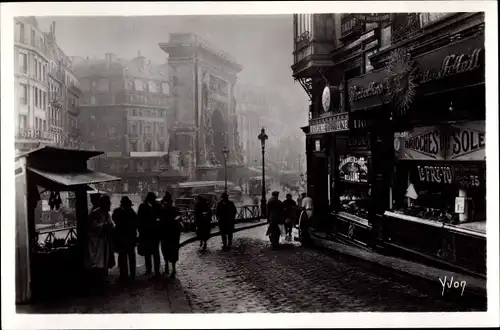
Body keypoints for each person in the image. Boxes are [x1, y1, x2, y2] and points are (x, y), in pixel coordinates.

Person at [84, 195, 115, 286]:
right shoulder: (95, 213)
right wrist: (103, 226)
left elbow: (110, 224)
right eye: (108, 203)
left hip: (103, 241)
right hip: (95, 241)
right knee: (96, 261)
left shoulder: (106, 214)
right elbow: (92, 226)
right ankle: (96, 280)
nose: (109, 205)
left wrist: (109, 227)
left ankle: (102, 278)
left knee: (103, 260)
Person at [112, 196, 138, 281]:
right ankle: (132, 275)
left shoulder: (117, 211)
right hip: (130, 238)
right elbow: (136, 224)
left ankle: (124, 275)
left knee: (123, 257)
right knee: (131, 256)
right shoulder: (132, 212)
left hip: (122, 238)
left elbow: (115, 221)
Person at [159, 192, 182, 279]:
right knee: (169, 250)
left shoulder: (171, 209)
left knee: (170, 250)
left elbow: (179, 216)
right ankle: (169, 266)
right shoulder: (164, 210)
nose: (167, 203)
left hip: (170, 233)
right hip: (169, 233)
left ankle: (172, 268)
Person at [137, 192, 161, 277]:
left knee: (149, 252)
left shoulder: (142, 206)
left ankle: (149, 269)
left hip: (146, 233)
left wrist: (140, 231)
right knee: (154, 252)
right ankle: (156, 270)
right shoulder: (157, 206)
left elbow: (138, 220)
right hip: (153, 233)